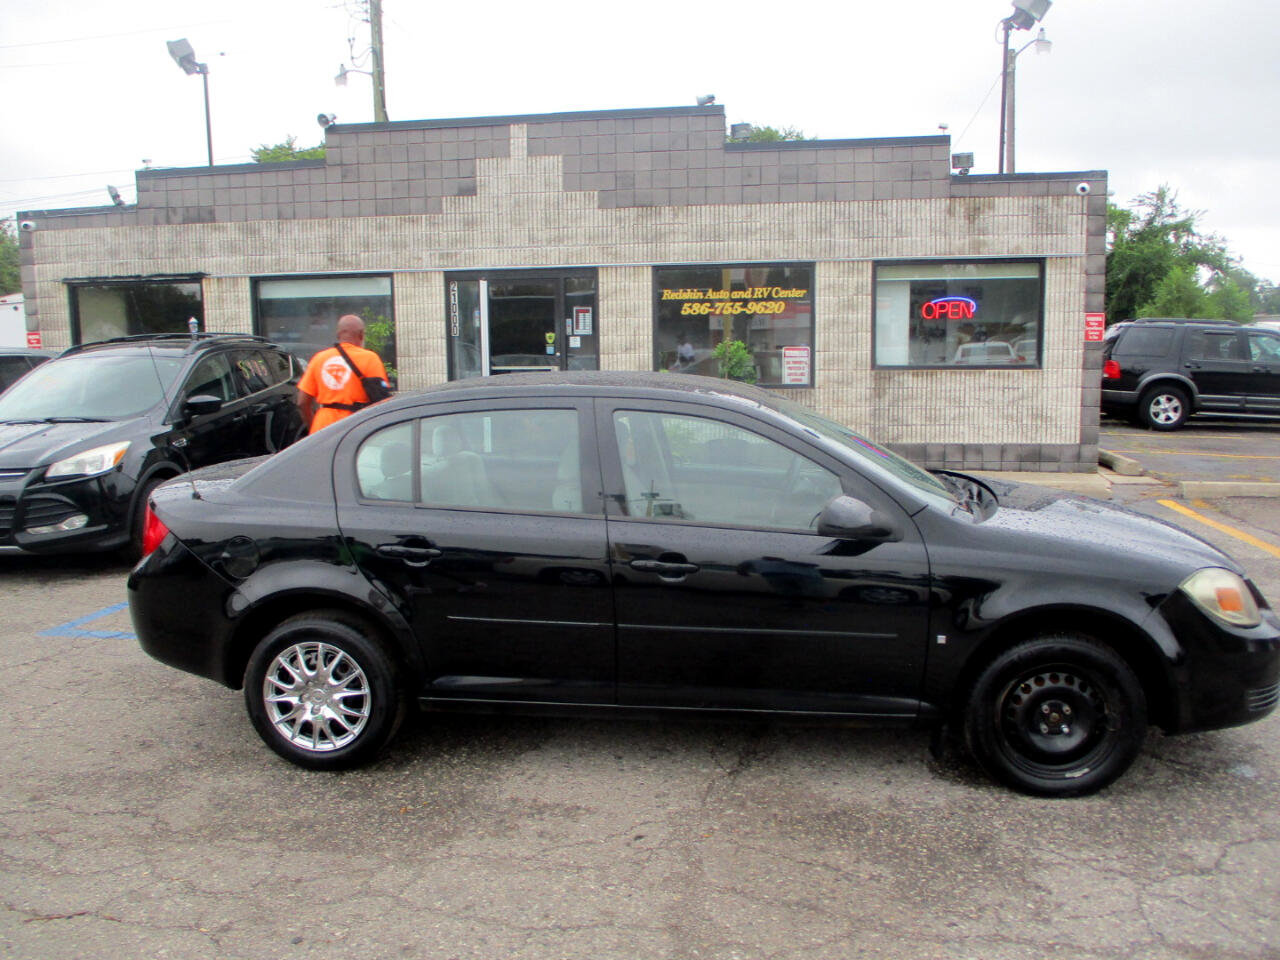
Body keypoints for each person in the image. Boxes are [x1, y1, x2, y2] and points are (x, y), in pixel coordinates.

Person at [297, 314, 390, 434]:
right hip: (356, 426)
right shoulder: (370, 358)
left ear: (338, 334)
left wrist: (313, 428)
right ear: (361, 335)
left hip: (323, 428)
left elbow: (302, 402)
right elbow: (382, 401)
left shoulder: (319, 359)